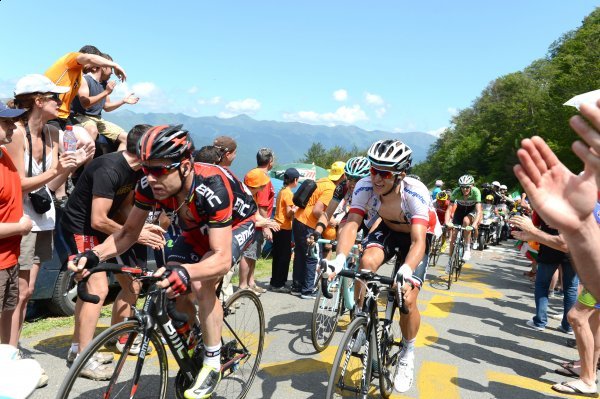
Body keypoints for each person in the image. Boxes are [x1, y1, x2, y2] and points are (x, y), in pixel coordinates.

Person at [69, 124, 253, 397]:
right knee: (173, 293)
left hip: (237, 225)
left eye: (159, 170)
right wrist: (94, 255)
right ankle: (195, 345)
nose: (150, 177)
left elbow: (221, 257)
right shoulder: (148, 185)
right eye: (145, 168)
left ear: (186, 167)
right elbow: (129, 233)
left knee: (202, 284)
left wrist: (190, 273)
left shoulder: (212, 186)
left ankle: (212, 363)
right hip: (194, 229)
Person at [325, 139, 430, 393]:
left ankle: (408, 350)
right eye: (373, 171)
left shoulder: (414, 192)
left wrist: (406, 270)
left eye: (384, 173)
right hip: (388, 229)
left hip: (415, 238)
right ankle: (362, 318)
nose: (377, 179)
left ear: (401, 174)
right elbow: (351, 223)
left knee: (407, 299)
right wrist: (339, 259)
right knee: (366, 263)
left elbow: (418, 242)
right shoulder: (364, 185)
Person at [60, 125, 163, 378]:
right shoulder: (110, 169)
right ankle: (81, 357)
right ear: (144, 151)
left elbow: (125, 209)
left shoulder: (135, 171)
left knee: (132, 284)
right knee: (96, 289)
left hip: (105, 228)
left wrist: (141, 228)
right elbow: (97, 220)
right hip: (82, 227)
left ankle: (109, 340)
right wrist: (137, 234)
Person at [4, 76, 81, 387]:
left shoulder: (52, 133)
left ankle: (12, 350)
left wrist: (71, 165)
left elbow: (52, 180)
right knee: (17, 293)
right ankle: (8, 353)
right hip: (19, 219)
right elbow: (16, 184)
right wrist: (56, 170)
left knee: (27, 291)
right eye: (54, 97)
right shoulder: (16, 134)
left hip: (43, 218)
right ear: (37, 100)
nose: (60, 101)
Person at [0, 101, 32, 347]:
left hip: (10, 258)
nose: (13, 127)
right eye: (6, 122)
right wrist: (20, 228)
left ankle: (7, 363)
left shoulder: (5, 155)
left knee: (8, 312)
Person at [292, 161, 346, 299]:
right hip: (309, 223)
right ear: (343, 175)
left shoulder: (322, 181)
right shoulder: (331, 188)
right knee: (312, 257)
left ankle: (297, 287)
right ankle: (308, 290)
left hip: (298, 219)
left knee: (299, 254)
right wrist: (331, 222)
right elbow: (318, 211)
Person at [44, 45, 127, 131]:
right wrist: (115, 66)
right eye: (95, 64)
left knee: (86, 140)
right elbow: (89, 58)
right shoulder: (70, 59)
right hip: (50, 113)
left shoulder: (79, 76)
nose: (95, 68)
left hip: (64, 117)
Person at [71, 53, 139, 152]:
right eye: (110, 68)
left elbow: (106, 107)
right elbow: (85, 103)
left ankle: (114, 164)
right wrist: (106, 92)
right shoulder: (85, 80)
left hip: (98, 119)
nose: (112, 73)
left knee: (127, 138)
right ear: (103, 67)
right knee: (92, 131)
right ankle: (84, 165)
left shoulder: (104, 84)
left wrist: (123, 101)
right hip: (82, 117)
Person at [239, 148, 276, 294]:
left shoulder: (254, 174)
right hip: (254, 225)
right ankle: (244, 285)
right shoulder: (261, 178)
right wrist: (266, 226)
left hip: (258, 221)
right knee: (249, 254)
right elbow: (262, 205)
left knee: (253, 254)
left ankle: (251, 282)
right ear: (270, 161)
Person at [270, 168, 300, 292]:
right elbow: (288, 213)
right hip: (284, 227)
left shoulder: (282, 191)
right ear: (295, 180)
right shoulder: (288, 193)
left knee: (277, 256)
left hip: (277, 226)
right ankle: (279, 284)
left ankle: (274, 282)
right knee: (284, 257)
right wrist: (297, 208)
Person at [445, 174, 482, 272]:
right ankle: (449, 262)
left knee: (466, 221)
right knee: (453, 236)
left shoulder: (476, 192)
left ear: (472, 186)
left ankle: (467, 248)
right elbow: (449, 209)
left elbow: (478, 211)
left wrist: (474, 225)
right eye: (462, 187)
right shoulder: (456, 192)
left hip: (471, 210)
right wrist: (446, 222)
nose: (465, 189)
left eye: (467, 187)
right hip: (460, 211)